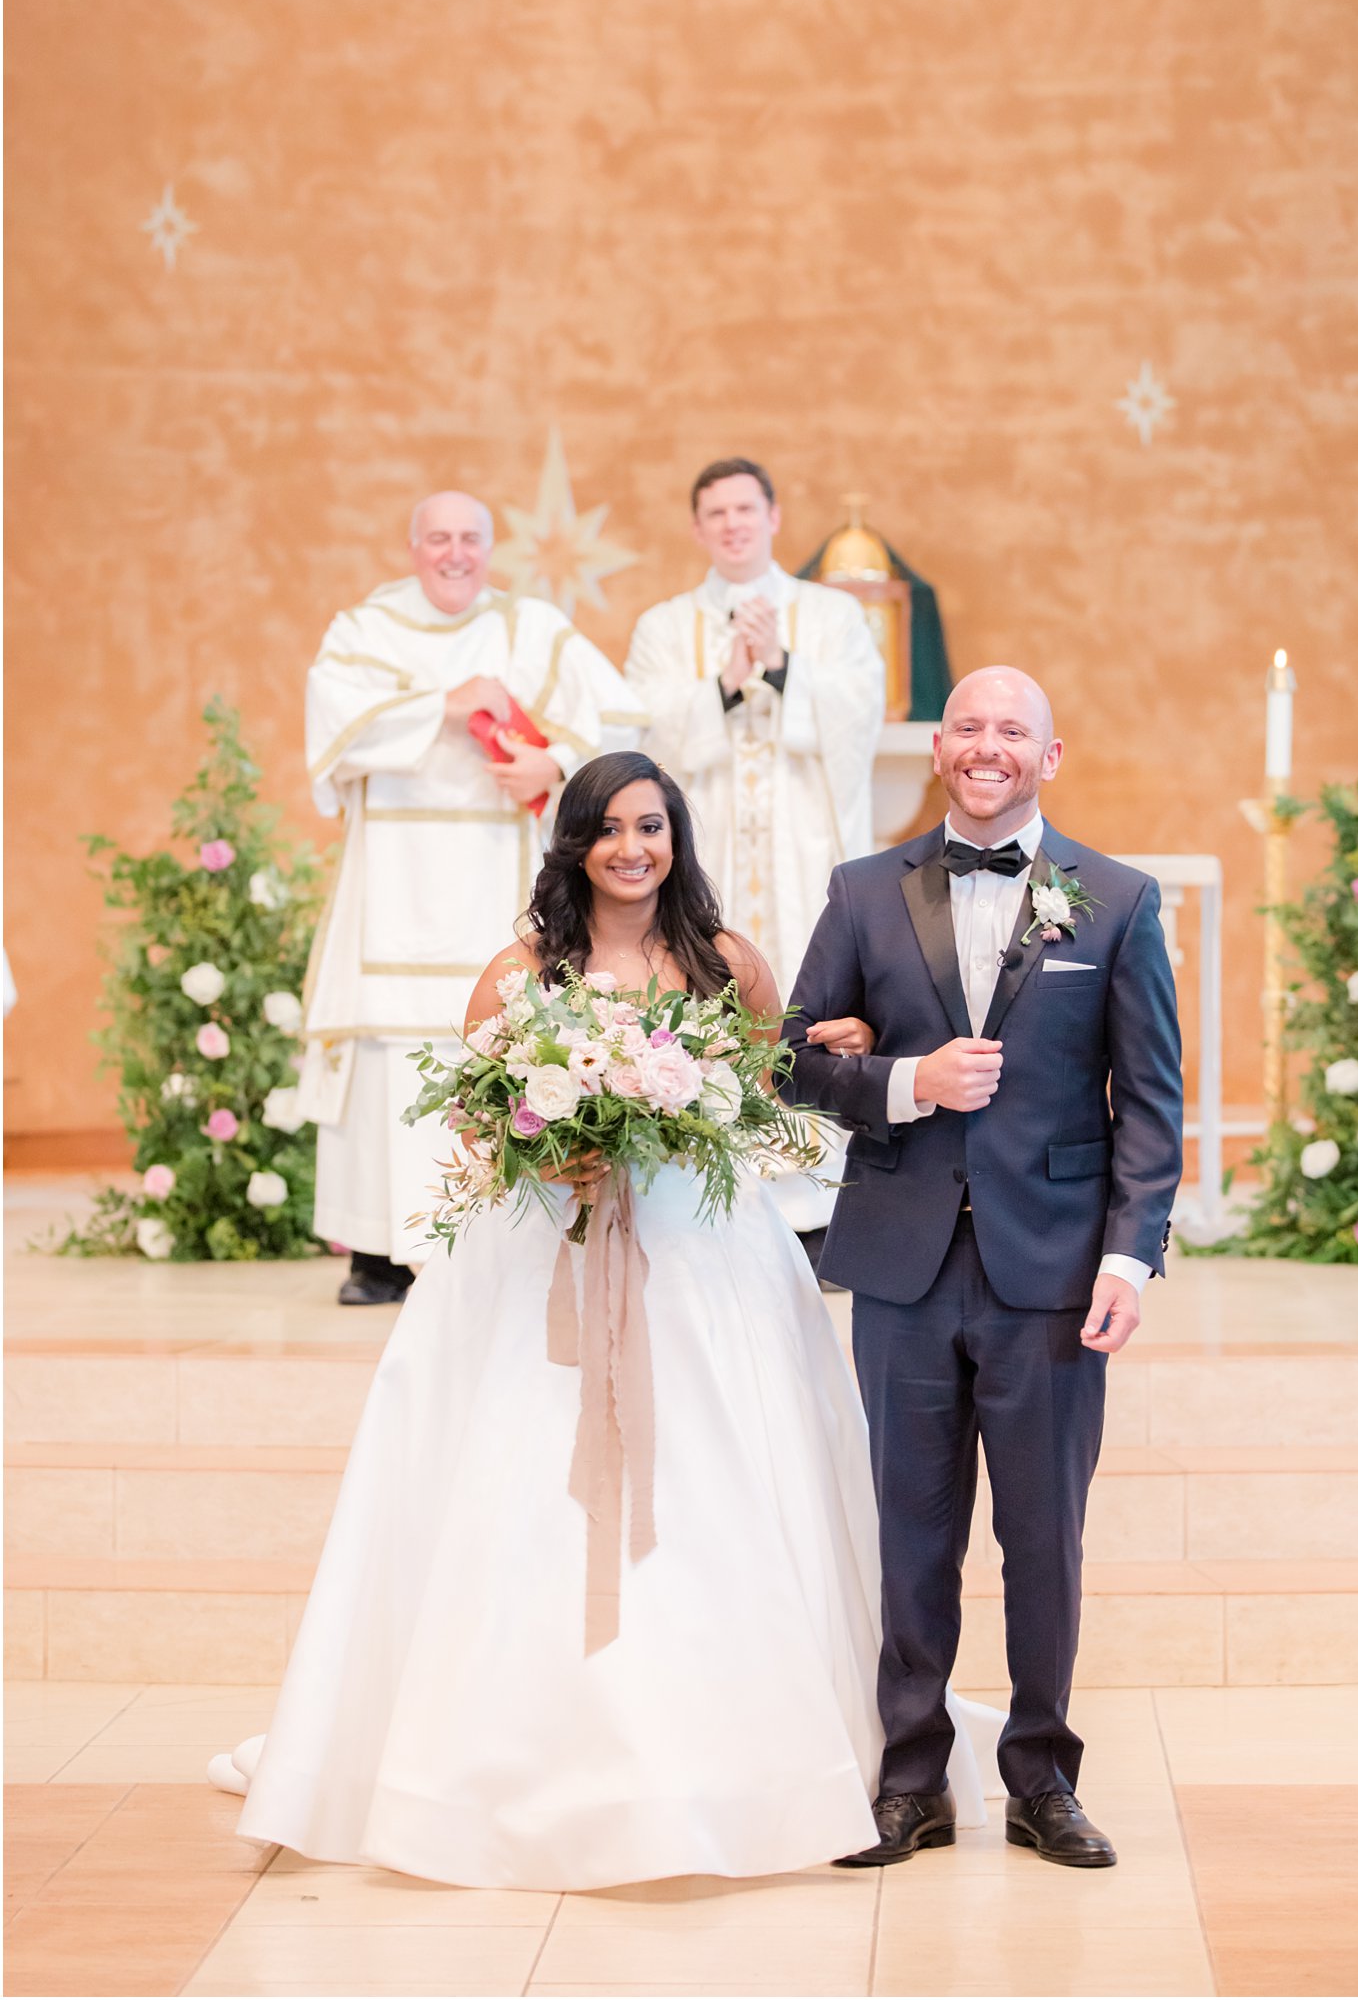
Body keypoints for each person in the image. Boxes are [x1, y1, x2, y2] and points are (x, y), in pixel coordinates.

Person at [226, 753, 998, 1888]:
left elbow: (766, 1089)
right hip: (544, 1263)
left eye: (651, 826)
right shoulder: (518, 973)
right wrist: (556, 1142)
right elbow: (482, 1134)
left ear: (676, 838)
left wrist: (818, 1058)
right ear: (572, 843)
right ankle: (510, 1760)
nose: (631, 848)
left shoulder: (724, 964)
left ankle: (747, 1754)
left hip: (701, 1265)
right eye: (607, 828)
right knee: (518, 1494)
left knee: (718, 1490)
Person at [782, 666, 1183, 1870]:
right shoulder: (862, 890)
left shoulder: (1112, 900)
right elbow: (790, 1062)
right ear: (939, 746)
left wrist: (1130, 1253)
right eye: (968, 726)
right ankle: (909, 1780)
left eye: (1013, 730)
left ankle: (1040, 1777)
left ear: (1048, 758)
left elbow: (1150, 1104)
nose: (987, 746)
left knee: (1043, 1536)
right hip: (902, 1264)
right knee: (910, 1531)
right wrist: (908, 1082)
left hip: (1052, 1271)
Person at [299, 491, 643, 1305]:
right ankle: (377, 1254)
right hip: (393, 881)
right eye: (438, 538)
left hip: (499, 875)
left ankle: (490, 1238)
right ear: (413, 544)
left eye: (470, 540)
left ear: (492, 548)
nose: (454, 553)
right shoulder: (363, 628)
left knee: (494, 1039)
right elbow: (330, 722)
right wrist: (443, 705)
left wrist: (554, 764)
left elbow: (625, 718)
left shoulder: (532, 628)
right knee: (387, 1052)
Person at [623, 457, 884, 1238]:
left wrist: (783, 669)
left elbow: (860, 712)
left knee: (812, 1001)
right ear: (698, 527)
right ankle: (710, 1191)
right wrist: (726, 687)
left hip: (805, 853)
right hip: (708, 856)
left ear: (774, 516)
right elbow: (639, 730)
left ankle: (819, 1212)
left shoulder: (831, 616)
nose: (733, 523)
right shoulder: (664, 625)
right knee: (708, 992)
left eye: (746, 509)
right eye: (717, 513)